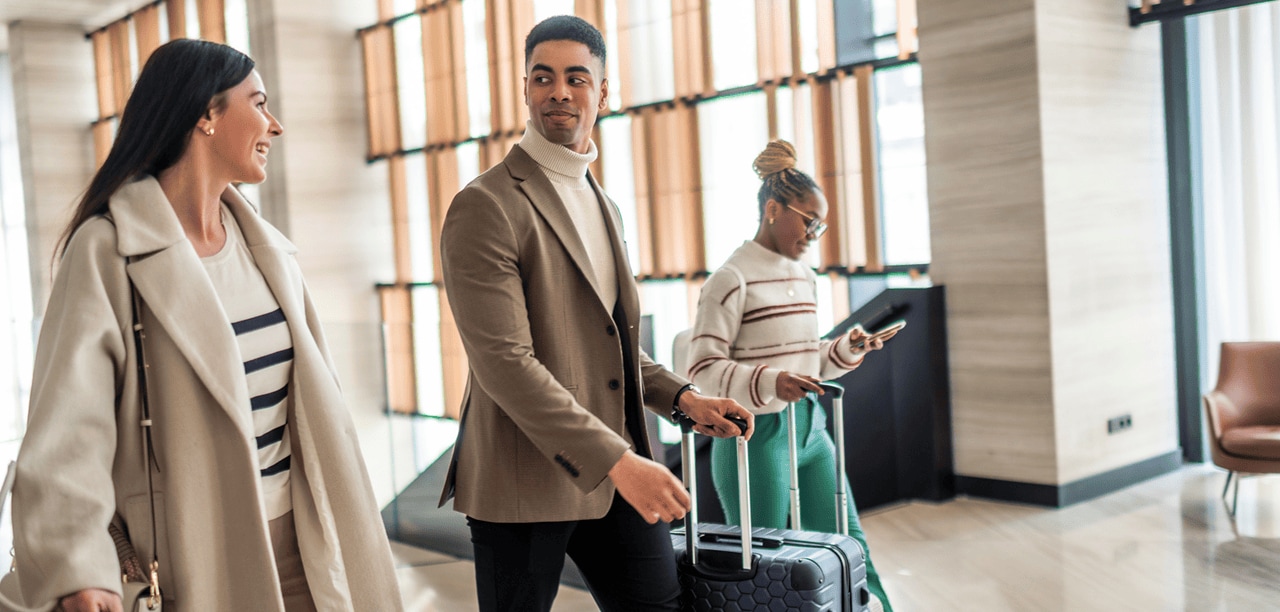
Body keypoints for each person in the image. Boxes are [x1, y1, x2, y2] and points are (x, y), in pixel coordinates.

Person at [9, 39, 402, 612]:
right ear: (206, 115)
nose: (276, 124)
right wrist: (80, 569)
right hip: (191, 557)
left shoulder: (266, 250)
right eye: (259, 102)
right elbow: (70, 430)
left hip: (308, 544)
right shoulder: (107, 251)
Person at [437, 15, 755, 612]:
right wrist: (619, 461)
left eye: (576, 77)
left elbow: (608, 346)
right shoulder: (485, 205)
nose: (559, 90)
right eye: (543, 77)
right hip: (523, 478)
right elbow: (504, 363)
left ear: (603, 92)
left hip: (618, 469)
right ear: (526, 89)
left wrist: (685, 399)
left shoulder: (603, 203)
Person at [685, 140, 897, 611]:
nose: (815, 233)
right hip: (755, 437)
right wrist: (769, 381)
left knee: (849, 545)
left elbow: (806, 361)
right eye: (809, 220)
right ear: (773, 209)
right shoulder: (731, 278)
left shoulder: (805, 275)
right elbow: (699, 369)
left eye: (821, 224)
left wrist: (845, 350)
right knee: (764, 568)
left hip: (812, 427)